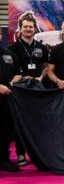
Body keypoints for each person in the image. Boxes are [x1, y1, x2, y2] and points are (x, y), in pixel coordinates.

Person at [7, 12, 48, 167]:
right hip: (20, 89)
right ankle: (20, 154)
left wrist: (40, 78)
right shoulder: (13, 48)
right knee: (20, 122)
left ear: (35, 29)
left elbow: (45, 67)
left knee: (38, 122)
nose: (29, 29)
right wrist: (21, 79)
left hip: (37, 88)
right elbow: (11, 70)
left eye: (31, 27)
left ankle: (39, 155)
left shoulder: (42, 47)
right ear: (20, 29)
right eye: (26, 27)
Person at [0, 29, 22, 172]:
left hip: (6, 101)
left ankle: (4, 160)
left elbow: (18, 73)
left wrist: (13, 82)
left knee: (5, 132)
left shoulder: (9, 54)